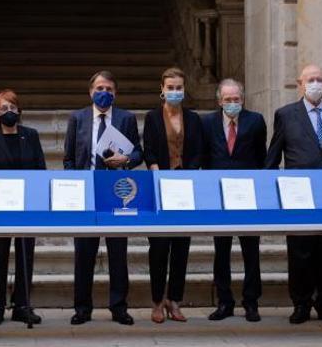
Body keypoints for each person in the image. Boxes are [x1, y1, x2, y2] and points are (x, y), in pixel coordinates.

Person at [266, 65, 322, 325]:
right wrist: (272, 187)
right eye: (310, 80)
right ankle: (301, 304)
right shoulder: (286, 115)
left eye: (319, 80)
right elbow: (274, 153)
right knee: (300, 252)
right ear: (299, 84)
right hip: (298, 195)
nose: (315, 84)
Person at [64, 70, 143, 326]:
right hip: (86, 193)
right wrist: (74, 187)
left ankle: (119, 307)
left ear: (115, 93)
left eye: (109, 89)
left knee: (118, 253)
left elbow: (138, 153)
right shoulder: (78, 118)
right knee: (83, 254)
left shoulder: (126, 118)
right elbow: (68, 158)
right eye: (99, 88)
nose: (104, 93)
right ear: (90, 92)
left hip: (116, 193)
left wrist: (127, 160)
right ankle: (82, 308)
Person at [201, 78, 266, 322]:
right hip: (219, 196)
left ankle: (251, 303)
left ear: (243, 99)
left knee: (251, 251)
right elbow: (205, 158)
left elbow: (262, 157)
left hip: (248, 196)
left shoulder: (256, 121)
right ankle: (224, 302)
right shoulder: (207, 122)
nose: (232, 103)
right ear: (219, 101)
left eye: (236, 99)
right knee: (222, 251)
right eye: (227, 100)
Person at [0, 90, 45, 326]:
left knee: (26, 256)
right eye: (4, 109)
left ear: (19, 110)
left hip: (28, 206)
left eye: (13, 108)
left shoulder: (31, 135)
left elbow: (40, 169)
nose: (9, 112)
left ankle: (22, 305)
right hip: (0, 206)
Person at [142, 67, 204, 323]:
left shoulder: (194, 119)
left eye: (179, 87)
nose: (175, 92)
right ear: (162, 90)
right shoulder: (152, 117)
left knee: (181, 247)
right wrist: (157, 173)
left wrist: (189, 175)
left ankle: (174, 300)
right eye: (171, 87)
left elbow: (199, 150)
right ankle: (157, 301)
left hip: (185, 191)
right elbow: (149, 150)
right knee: (158, 248)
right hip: (159, 189)